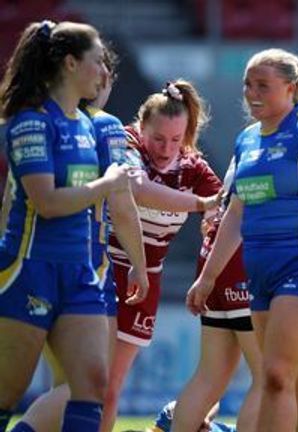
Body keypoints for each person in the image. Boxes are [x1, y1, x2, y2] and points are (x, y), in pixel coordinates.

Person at [186, 48, 298, 432]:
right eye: (247, 84)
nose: (251, 92)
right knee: (297, 382)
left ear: (291, 88)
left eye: (263, 85)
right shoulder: (247, 139)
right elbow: (236, 213)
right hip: (259, 273)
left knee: (275, 376)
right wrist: (209, 276)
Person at [0, 20, 138, 432]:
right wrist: (108, 184)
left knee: (93, 387)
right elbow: (46, 203)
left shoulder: (87, 124)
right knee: (7, 393)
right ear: (70, 63)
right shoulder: (31, 123)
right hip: (29, 270)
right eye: (97, 62)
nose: (103, 72)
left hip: (80, 272)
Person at [101, 79, 223, 432]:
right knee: (90, 383)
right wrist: (202, 205)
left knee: (111, 389)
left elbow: (228, 207)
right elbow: (137, 190)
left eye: (176, 139)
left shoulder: (193, 166)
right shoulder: (125, 142)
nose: (166, 149)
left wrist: (212, 222)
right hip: (105, 268)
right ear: (142, 126)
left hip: (146, 278)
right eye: (158, 138)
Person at [171, 159, 262, 432]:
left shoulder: (246, 144)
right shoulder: (294, 135)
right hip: (240, 254)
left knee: (209, 376)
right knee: (268, 376)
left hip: (214, 255)